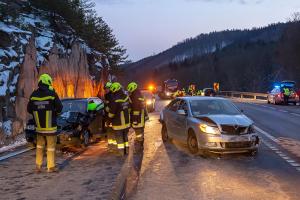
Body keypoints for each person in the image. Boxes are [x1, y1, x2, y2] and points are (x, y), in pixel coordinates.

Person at [27, 74, 63, 173]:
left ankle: (38, 166)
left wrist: (37, 112)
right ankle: (50, 167)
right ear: (48, 82)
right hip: (50, 127)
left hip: (39, 127)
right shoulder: (52, 94)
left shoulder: (33, 94)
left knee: (39, 146)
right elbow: (60, 108)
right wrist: (55, 112)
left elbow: (29, 109)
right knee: (50, 147)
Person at [107, 82, 131, 156]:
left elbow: (112, 112)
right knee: (125, 136)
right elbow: (129, 108)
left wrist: (108, 120)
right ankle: (126, 150)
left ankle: (121, 152)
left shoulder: (115, 99)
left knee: (119, 137)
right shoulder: (126, 97)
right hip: (126, 122)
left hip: (118, 122)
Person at [127, 82, 146, 152]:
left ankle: (139, 148)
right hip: (141, 118)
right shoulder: (139, 95)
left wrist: (134, 120)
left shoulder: (135, 97)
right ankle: (140, 146)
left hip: (138, 119)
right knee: (141, 133)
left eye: (130, 90)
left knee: (139, 134)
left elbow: (136, 110)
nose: (129, 91)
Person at [103, 82, 117, 151]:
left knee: (112, 132)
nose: (105, 90)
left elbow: (113, 107)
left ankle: (113, 146)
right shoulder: (107, 95)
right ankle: (111, 146)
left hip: (111, 117)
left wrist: (108, 109)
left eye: (107, 88)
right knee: (109, 131)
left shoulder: (111, 96)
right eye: (105, 89)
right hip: (108, 117)